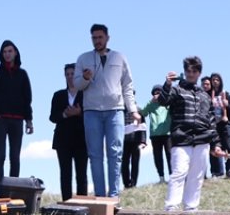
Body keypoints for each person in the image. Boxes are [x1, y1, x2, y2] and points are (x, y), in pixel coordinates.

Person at [74, 24, 140, 198]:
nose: (97, 41)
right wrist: (86, 78)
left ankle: (114, 195)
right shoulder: (83, 58)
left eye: (100, 37)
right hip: (91, 111)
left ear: (107, 38)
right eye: (94, 38)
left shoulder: (119, 57)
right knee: (95, 154)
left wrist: (132, 110)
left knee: (115, 152)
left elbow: (127, 85)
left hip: (115, 111)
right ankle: (100, 195)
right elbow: (77, 84)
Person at [157, 56, 226, 212]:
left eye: (194, 71)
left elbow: (211, 121)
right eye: (188, 70)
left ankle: (191, 207)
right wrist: (167, 83)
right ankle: (172, 206)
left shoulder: (205, 96)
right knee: (179, 172)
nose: (190, 74)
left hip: (202, 139)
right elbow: (163, 100)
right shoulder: (176, 89)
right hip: (181, 137)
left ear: (199, 73)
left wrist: (216, 144)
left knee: (197, 175)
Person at [0, 40, 34, 194]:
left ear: (15, 52)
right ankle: (1, 192)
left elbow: (27, 98)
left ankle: (14, 191)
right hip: (1, 120)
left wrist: (29, 120)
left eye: (10, 51)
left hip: (17, 120)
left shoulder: (22, 74)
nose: (7, 54)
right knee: (0, 156)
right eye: (4, 51)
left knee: (15, 157)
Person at [50, 63, 88, 200]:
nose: (70, 77)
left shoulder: (86, 94)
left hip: (82, 140)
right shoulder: (58, 95)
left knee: (81, 174)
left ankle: (82, 203)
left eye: (73, 74)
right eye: (68, 74)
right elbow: (52, 117)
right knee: (65, 174)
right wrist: (65, 115)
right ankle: (66, 203)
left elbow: (91, 114)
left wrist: (79, 112)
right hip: (63, 140)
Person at [208, 72, 230, 179]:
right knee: (214, 147)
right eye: (213, 80)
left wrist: (227, 104)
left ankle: (229, 169)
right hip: (213, 125)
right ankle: (215, 172)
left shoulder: (226, 94)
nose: (215, 81)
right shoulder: (208, 95)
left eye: (217, 80)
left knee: (228, 145)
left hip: (224, 123)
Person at [143, 87, 172, 184]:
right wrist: (150, 102)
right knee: (157, 156)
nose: (157, 95)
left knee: (170, 155)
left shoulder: (167, 104)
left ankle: (172, 176)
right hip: (155, 135)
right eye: (155, 93)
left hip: (167, 134)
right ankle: (161, 177)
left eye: (159, 92)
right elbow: (143, 113)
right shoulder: (151, 104)